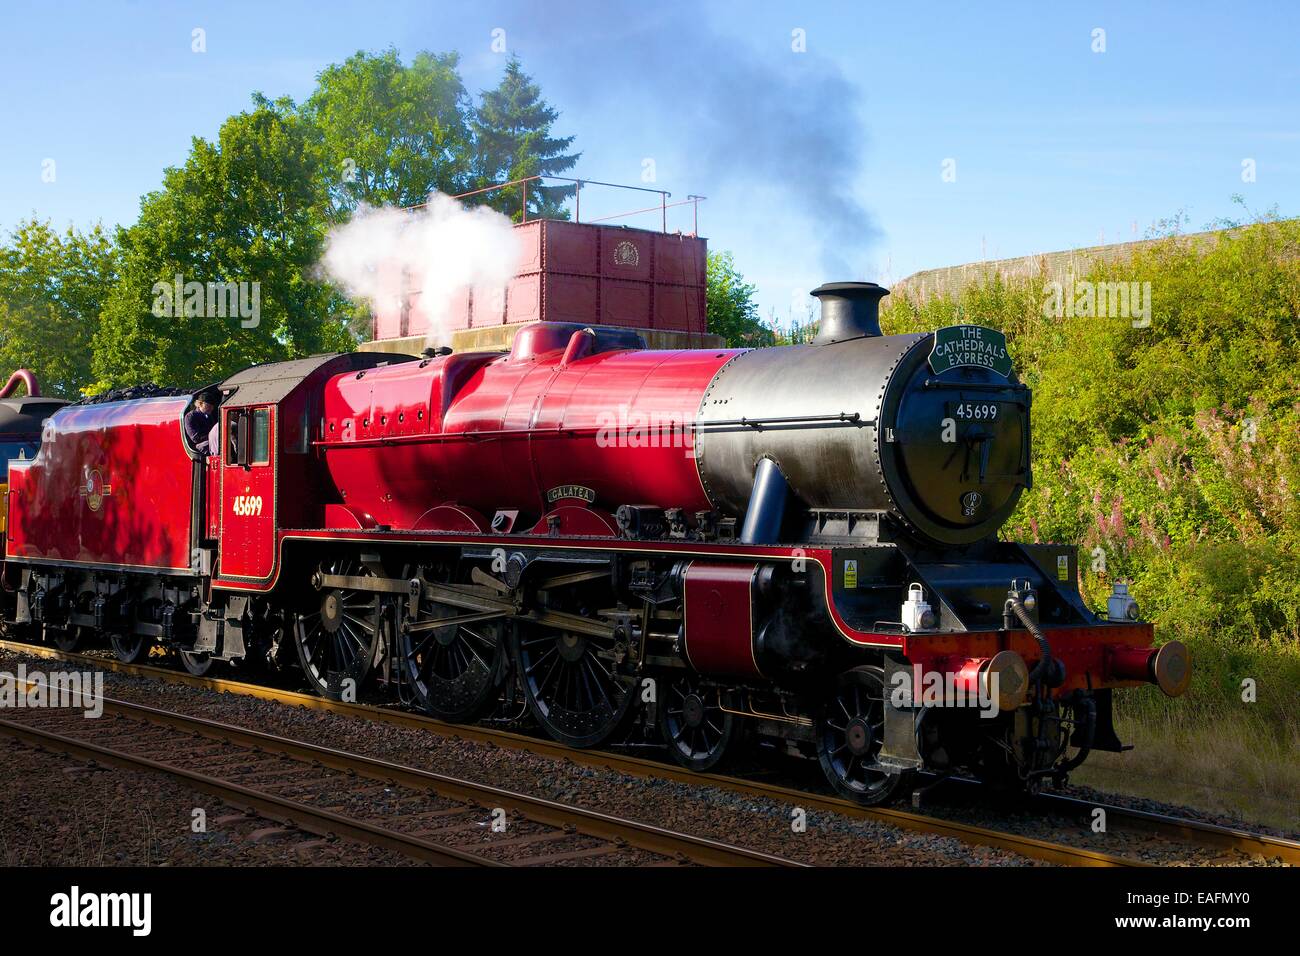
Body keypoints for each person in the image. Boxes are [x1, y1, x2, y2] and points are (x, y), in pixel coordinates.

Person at [185, 388, 220, 454]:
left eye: (212, 406)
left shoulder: (210, 416)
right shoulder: (190, 416)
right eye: (209, 406)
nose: (211, 408)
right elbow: (195, 438)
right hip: (200, 446)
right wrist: (212, 437)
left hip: (211, 441)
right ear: (200, 404)